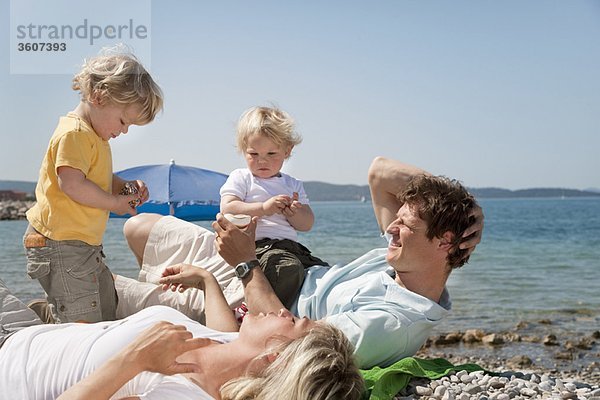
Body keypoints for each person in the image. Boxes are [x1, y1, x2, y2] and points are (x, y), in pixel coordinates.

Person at [116, 156, 483, 368]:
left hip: (252, 303)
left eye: (407, 225)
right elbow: (380, 171)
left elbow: (283, 344)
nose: (392, 230)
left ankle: (165, 310)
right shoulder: (404, 261)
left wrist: (244, 264)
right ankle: (163, 301)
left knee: (113, 292)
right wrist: (466, 207)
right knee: (138, 226)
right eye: (397, 219)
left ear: (444, 243)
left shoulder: (388, 324)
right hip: (277, 266)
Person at [0, 273, 363, 400]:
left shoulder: (179, 395)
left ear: (276, 356)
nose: (284, 310)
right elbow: (221, 330)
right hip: (25, 333)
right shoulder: (232, 353)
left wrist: (133, 360)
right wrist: (207, 282)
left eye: (294, 320)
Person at [23, 47, 164, 323]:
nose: (124, 131)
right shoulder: (75, 133)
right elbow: (72, 184)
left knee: (104, 306)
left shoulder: (95, 137)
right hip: (59, 243)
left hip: (82, 245)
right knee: (84, 321)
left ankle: (50, 317)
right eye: (124, 121)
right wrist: (115, 204)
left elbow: (97, 179)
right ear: (99, 96)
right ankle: (46, 328)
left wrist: (123, 187)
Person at [220, 106, 327, 308]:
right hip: (258, 248)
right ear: (244, 149)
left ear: (287, 151)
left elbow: (307, 224)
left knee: (324, 273)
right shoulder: (242, 178)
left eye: (271, 153)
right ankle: (253, 310)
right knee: (285, 269)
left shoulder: (292, 184)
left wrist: (295, 213)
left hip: (292, 248)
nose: (262, 160)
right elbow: (228, 209)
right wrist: (263, 208)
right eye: (253, 153)